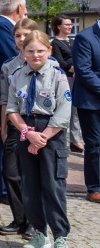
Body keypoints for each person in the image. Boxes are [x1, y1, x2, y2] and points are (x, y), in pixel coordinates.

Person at [6, 30, 73, 248]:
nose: (35, 55)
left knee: (53, 187)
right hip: (27, 130)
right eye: (30, 51)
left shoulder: (58, 76)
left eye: (40, 51)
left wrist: (42, 137)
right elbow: (12, 109)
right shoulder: (17, 75)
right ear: (23, 52)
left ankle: (60, 237)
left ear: (49, 51)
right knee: (30, 187)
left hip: (51, 133)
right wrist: (28, 133)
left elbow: (64, 111)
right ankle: (39, 233)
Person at [0, 18, 41, 238]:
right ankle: (19, 218)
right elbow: (5, 98)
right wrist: (3, 126)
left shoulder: (46, 61)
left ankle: (34, 221)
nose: (22, 39)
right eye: (18, 35)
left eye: (26, 34)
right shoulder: (9, 65)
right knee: (11, 172)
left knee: (32, 174)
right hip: (15, 123)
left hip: (39, 123)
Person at [72, 17, 100, 203]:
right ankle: (94, 188)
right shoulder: (85, 37)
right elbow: (84, 70)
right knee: (95, 145)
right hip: (91, 101)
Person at [50, 14, 83, 153]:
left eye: (71, 24)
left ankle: (75, 140)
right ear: (59, 26)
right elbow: (59, 61)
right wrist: (73, 69)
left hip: (78, 77)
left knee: (75, 109)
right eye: (67, 24)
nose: (70, 26)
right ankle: (61, 140)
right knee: (65, 108)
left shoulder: (73, 41)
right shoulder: (55, 43)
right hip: (66, 78)